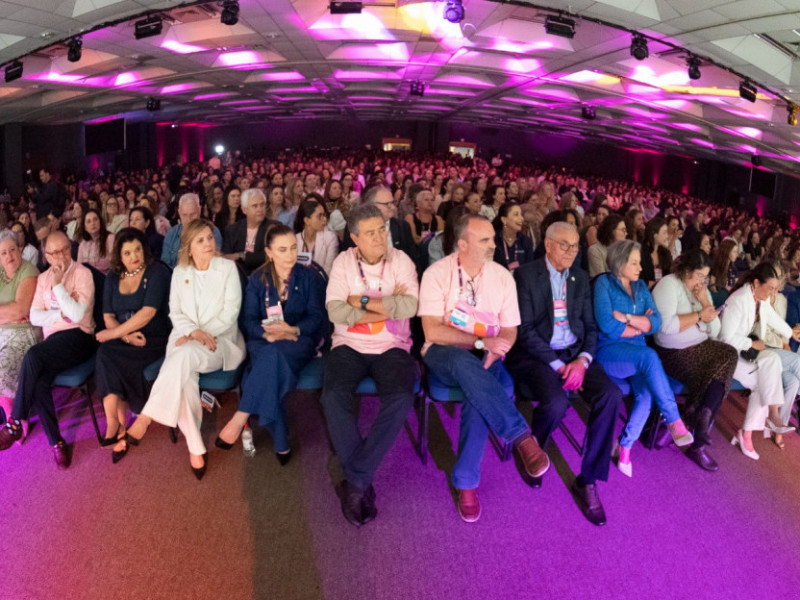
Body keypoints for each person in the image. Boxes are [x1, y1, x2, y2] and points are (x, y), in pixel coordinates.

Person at [418, 213, 550, 523]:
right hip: (444, 353)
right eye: (485, 240)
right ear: (462, 244)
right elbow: (432, 332)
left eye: (493, 238)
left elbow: (510, 329)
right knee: (466, 365)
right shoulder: (437, 273)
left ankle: (466, 483)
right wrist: (481, 344)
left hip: (487, 357)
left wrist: (498, 348)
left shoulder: (502, 276)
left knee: (477, 390)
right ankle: (521, 437)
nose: (494, 244)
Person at [507, 222, 620, 525]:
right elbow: (525, 331)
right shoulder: (526, 275)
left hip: (574, 354)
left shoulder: (580, 278)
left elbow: (591, 329)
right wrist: (560, 367)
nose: (571, 251)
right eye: (564, 245)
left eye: (575, 246)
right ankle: (536, 452)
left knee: (611, 395)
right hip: (538, 356)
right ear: (547, 244)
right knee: (557, 402)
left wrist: (582, 361)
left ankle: (588, 480)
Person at [113, 220, 245, 478]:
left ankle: (145, 418)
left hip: (217, 341)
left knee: (181, 357)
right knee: (184, 379)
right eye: (200, 240)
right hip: (185, 337)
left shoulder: (228, 268)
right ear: (189, 247)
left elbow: (230, 313)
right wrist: (191, 332)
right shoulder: (180, 272)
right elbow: (176, 311)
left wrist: (199, 334)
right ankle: (196, 447)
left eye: (209, 238)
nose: (208, 243)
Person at [321, 204, 419, 527]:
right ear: (354, 238)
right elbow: (335, 311)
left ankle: (356, 480)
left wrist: (359, 300)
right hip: (349, 344)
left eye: (383, 229)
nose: (380, 237)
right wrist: (387, 308)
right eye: (371, 233)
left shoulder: (401, 260)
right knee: (333, 394)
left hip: (392, 345)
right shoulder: (343, 262)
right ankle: (360, 479)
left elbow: (410, 306)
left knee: (403, 395)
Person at [216, 225, 326, 463]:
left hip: (299, 340)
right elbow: (249, 320)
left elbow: (317, 318)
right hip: (265, 341)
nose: (290, 254)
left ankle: (240, 416)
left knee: (260, 369)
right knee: (271, 358)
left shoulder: (309, 277)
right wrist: (267, 335)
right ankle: (280, 441)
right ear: (269, 252)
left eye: (294, 248)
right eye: (283, 249)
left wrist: (293, 329)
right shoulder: (257, 279)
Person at [593, 240, 694, 473]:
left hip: (637, 353)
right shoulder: (604, 284)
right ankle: (673, 420)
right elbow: (607, 325)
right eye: (635, 263)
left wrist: (627, 318)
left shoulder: (640, 288)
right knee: (649, 356)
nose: (641, 268)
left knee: (646, 394)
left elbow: (656, 322)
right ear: (619, 263)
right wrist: (641, 324)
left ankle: (625, 447)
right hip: (610, 352)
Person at [0, 231, 96, 469]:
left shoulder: (83, 274)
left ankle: (14, 422)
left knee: (33, 355)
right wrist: (59, 314)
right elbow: (34, 316)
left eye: (64, 249)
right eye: (53, 252)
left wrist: (58, 286)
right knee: (40, 380)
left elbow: (76, 316)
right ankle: (57, 443)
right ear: (46, 254)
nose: (59, 256)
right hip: (53, 341)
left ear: (70, 248)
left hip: (80, 337)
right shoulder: (43, 278)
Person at [651, 249, 738, 471]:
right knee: (717, 377)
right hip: (673, 352)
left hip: (700, 347)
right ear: (686, 270)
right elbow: (665, 327)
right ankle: (697, 433)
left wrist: (702, 300)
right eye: (699, 275)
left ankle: (696, 416)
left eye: (705, 277)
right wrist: (699, 316)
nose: (702, 281)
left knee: (728, 354)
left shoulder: (700, 291)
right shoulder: (669, 285)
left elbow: (716, 330)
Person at [93, 228, 172, 456]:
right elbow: (108, 317)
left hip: (154, 338)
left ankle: (121, 429)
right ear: (119, 255)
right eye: (127, 252)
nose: (133, 256)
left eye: (137, 249)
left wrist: (112, 334)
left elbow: (147, 313)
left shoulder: (156, 271)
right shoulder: (112, 276)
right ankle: (114, 423)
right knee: (106, 354)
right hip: (127, 339)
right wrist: (123, 335)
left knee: (109, 354)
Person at [719, 263, 797, 460]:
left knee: (772, 361)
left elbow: (775, 320)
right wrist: (751, 344)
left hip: (747, 354)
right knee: (765, 381)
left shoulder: (760, 300)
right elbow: (725, 338)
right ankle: (747, 433)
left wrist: (793, 334)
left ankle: (772, 415)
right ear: (756, 283)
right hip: (729, 355)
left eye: (775, 288)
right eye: (770, 287)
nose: (773, 292)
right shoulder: (738, 300)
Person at [0, 230, 41, 424]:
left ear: (20, 249)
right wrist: (10, 313)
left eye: (12, 250)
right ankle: (10, 414)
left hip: (25, 332)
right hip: (3, 330)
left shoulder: (28, 270)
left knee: (1, 370)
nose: (9, 256)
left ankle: (16, 420)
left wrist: (13, 313)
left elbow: (21, 310)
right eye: (3, 253)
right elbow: (14, 311)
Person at [760, 261, 800, 449]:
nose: (775, 283)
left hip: (778, 351)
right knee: (799, 362)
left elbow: (784, 335)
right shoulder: (761, 298)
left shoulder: (783, 301)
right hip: (762, 348)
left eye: (778, 278)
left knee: (794, 381)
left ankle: (777, 425)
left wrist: (788, 341)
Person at [222, 188, 280, 275]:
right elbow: (227, 257)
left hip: (265, 276)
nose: (260, 209)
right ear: (244, 209)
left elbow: (272, 255)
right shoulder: (232, 230)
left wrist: (241, 255)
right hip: (238, 276)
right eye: (255, 206)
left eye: (262, 205)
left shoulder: (274, 227)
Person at [162, 194, 223, 269]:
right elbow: (165, 265)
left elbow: (211, 261)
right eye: (184, 215)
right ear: (179, 213)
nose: (189, 220)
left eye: (192, 214)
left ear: (199, 210)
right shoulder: (171, 234)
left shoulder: (212, 232)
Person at [294, 198, 338, 275]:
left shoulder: (330, 238)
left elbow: (328, 271)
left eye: (324, 215)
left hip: (322, 284)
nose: (324, 219)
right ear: (307, 221)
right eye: (319, 216)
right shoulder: (295, 239)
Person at [492, 202, 534, 273]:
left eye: (521, 214)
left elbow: (530, 269)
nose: (521, 218)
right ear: (504, 220)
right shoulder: (493, 240)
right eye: (516, 214)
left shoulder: (525, 241)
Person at [77, 209, 115, 274]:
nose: (93, 223)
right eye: (89, 221)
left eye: (95, 219)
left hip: (106, 277)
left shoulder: (110, 238)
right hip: (88, 278)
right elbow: (79, 267)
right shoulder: (83, 244)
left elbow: (115, 263)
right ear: (85, 227)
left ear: (100, 221)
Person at [587, 214, 626, 278]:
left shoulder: (621, 250)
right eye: (623, 230)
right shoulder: (595, 250)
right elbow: (601, 279)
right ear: (611, 231)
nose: (626, 233)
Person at [639, 216, 672, 289]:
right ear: (654, 235)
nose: (667, 236)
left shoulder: (666, 253)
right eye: (664, 233)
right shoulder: (640, 252)